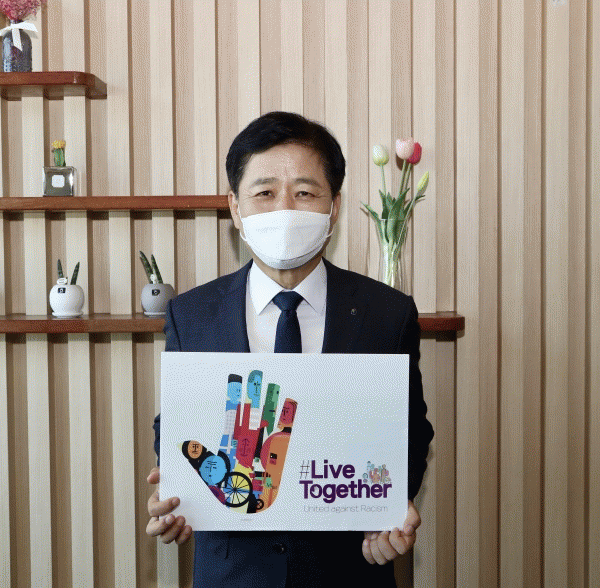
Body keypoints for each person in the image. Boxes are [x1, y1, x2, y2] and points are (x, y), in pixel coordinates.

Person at [146, 111, 434, 587]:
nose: (284, 208)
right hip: (233, 574)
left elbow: (410, 432)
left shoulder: (388, 314)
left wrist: (388, 510)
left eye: (304, 192)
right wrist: (174, 489)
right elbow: (178, 422)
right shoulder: (191, 314)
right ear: (235, 207)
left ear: (334, 206)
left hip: (349, 572)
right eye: (264, 193)